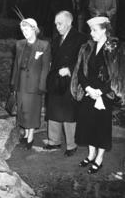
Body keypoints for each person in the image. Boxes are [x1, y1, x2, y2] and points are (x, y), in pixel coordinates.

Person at [71, 16, 125, 174]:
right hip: (89, 93)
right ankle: (91, 154)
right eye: (91, 30)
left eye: (94, 30)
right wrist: (88, 88)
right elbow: (80, 70)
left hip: (105, 93)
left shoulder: (116, 48)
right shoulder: (86, 47)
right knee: (88, 124)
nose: (91, 33)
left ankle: (99, 159)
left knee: (101, 127)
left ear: (104, 30)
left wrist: (100, 91)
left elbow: (117, 75)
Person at [45, 11, 87, 156]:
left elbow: (84, 60)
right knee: (53, 110)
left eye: (60, 23)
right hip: (55, 79)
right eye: (56, 24)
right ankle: (53, 141)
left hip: (70, 80)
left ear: (69, 22)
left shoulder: (81, 38)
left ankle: (71, 145)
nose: (57, 27)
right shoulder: (56, 39)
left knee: (69, 113)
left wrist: (70, 69)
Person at [11, 18, 51, 150]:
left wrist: (42, 85)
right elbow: (15, 65)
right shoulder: (19, 44)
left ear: (34, 28)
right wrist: (13, 83)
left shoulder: (44, 45)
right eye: (22, 30)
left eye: (27, 29)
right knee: (22, 109)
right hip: (21, 81)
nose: (24, 32)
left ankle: (31, 136)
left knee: (32, 110)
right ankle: (26, 133)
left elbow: (45, 68)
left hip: (35, 84)